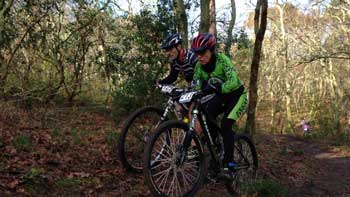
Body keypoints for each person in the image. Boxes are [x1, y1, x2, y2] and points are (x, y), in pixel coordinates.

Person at [191, 33, 248, 176]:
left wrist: (219, 88)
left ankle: (230, 165)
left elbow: (234, 81)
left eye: (202, 53)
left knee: (226, 124)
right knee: (206, 119)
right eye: (197, 53)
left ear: (211, 50)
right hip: (220, 97)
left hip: (237, 96)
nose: (199, 56)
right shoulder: (199, 66)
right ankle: (216, 148)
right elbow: (196, 85)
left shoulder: (222, 60)